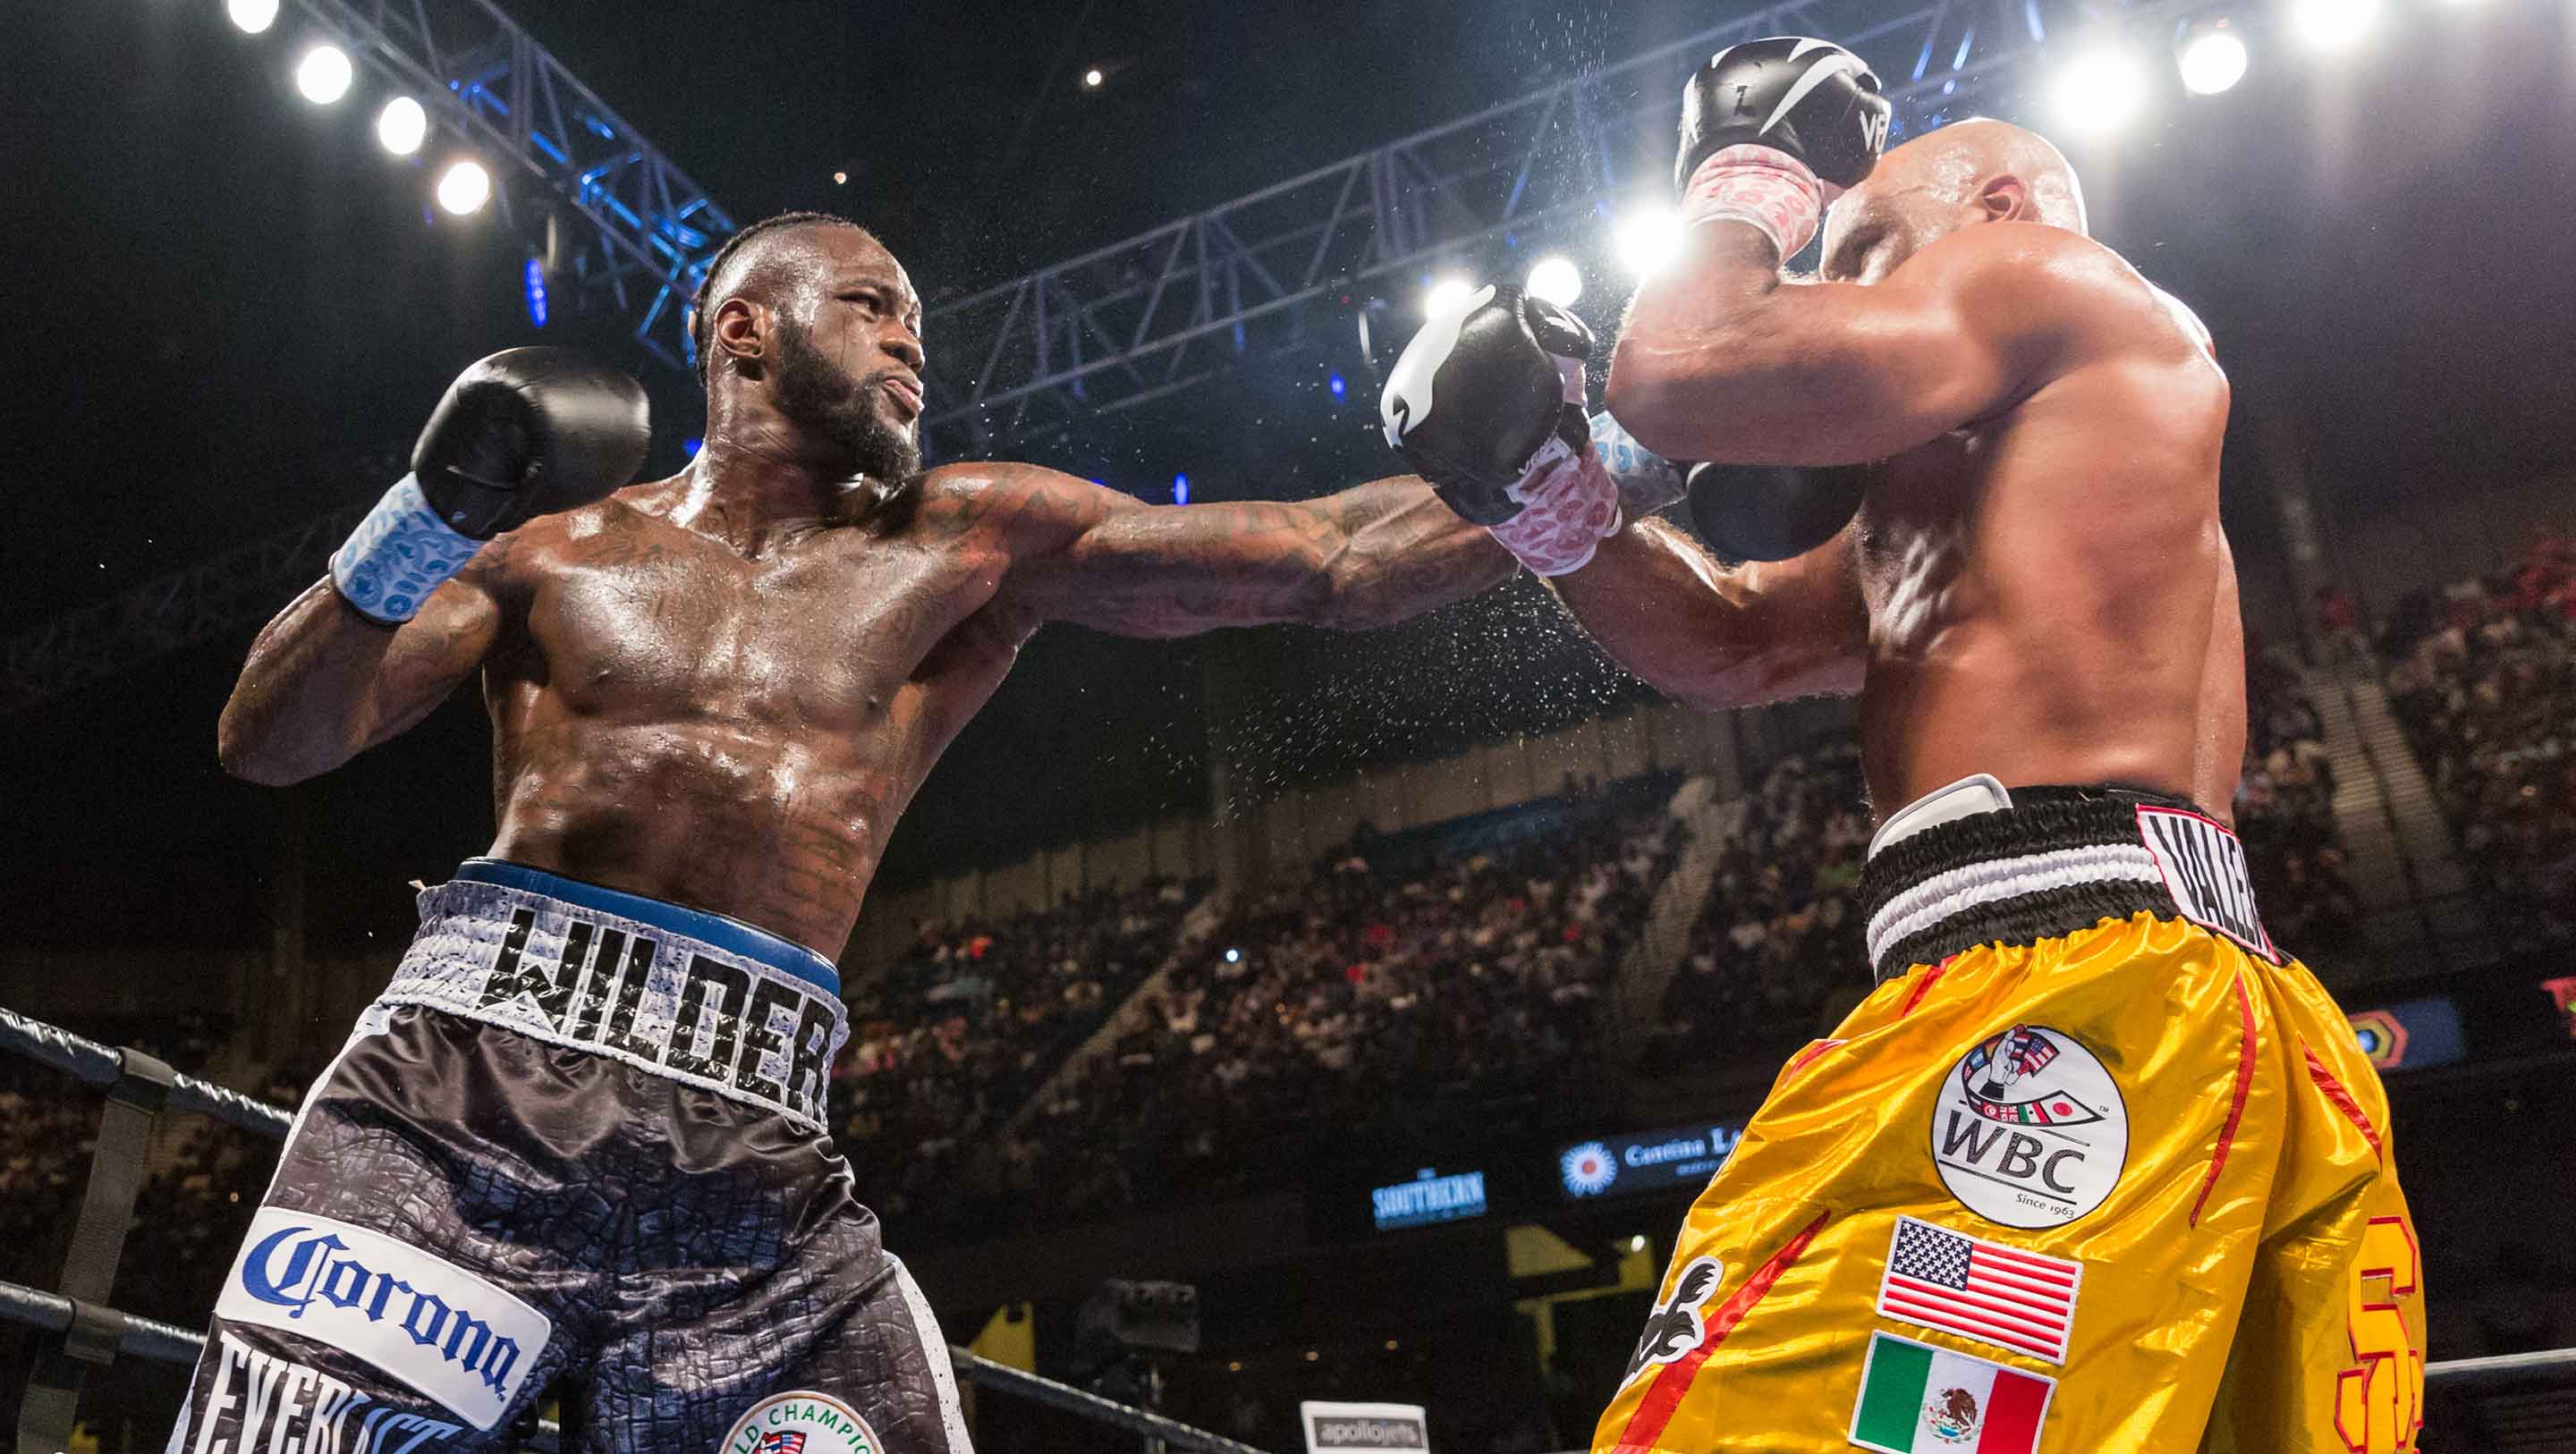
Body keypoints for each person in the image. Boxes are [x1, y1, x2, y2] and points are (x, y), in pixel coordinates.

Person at [191, 211, 1522, 1454]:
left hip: (751, 1163)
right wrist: (428, 514)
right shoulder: (547, 545)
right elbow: (272, 739)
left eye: (918, 328)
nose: (909, 345)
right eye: (873, 306)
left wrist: (1590, 465)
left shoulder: (970, 539)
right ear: (745, 333)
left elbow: (1327, 558)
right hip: (457, 1106)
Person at [1382, 38, 2422, 1454]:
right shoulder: (1952, 495)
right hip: (2142, 1011)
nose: (1830, 302)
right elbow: (1731, 643)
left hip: (2067, 1005)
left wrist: (1747, 181)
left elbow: (1679, 366)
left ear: (1998, 203)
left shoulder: (2054, 277)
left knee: (1736, 1423)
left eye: (1861, 252)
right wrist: (1540, 499)